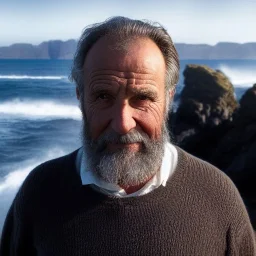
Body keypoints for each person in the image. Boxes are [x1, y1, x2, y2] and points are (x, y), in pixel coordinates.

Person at [1, 16, 255, 256]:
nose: (123, 124)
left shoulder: (218, 196)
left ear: (168, 99)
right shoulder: (40, 192)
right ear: (80, 97)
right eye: (103, 96)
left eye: (143, 98)